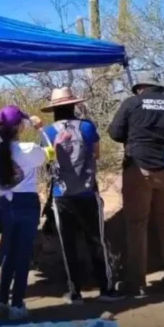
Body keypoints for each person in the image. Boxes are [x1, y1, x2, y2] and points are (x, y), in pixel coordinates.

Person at [40, 87, 122, 304]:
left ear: (54, 109)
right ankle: (106, 289)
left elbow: (47, 161)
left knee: (68, 244)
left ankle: (74, 292)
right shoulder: (87, 127)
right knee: (97, 240)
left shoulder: (47, 132)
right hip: (88, 190)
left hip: (62, 193)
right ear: (74, 105)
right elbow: (96, 154)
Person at [108, 74, 164, 297]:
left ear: (140, 88)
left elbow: (115, 133)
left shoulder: (132, 103)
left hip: (138, 169)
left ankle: (137, 283)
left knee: (136, 224)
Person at [0, 105, 48, 320]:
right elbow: (49, 153)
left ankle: (2, 301)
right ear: (20, 126)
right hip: (26, 203)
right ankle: (17, 305)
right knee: (22, 256)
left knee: (9, 254)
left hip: (4, 203)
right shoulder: (29, 149)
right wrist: (40, 129)